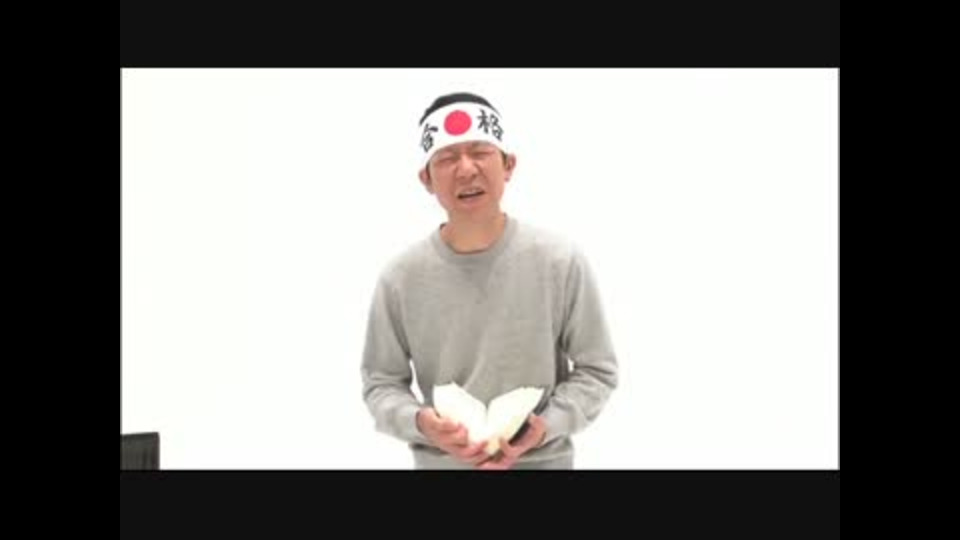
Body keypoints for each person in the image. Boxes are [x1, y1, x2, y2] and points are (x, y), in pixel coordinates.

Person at [361, 91, 618, 469]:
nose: (466, 169)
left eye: (480, 152)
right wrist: (421, 423)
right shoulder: (400, 278)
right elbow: (381, 383)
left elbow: (597, 370)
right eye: (447, 158)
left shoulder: (559, 261)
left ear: (508, 165)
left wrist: (545, 426)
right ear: (426, 179)